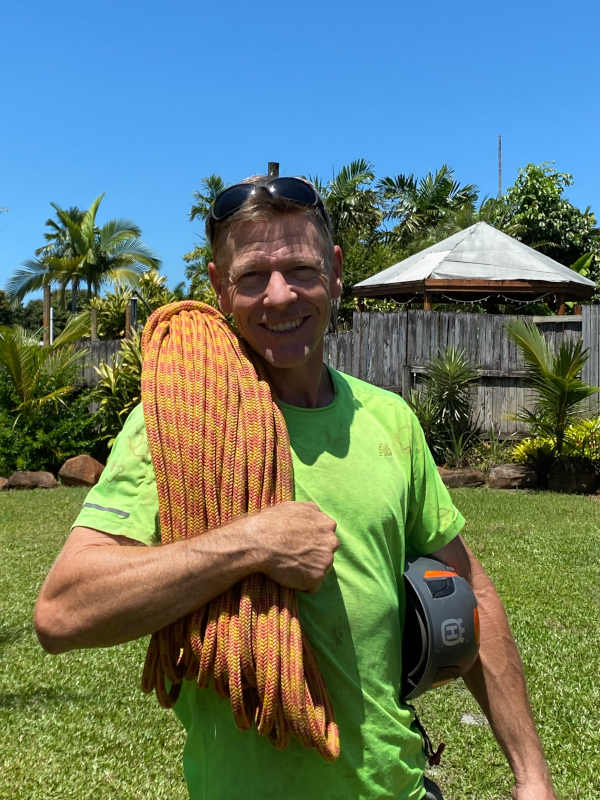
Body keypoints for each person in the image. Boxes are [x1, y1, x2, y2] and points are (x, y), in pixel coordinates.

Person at [34, 175, 556, 800]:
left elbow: (472, 589)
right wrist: (249, 544)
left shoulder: (388, 418)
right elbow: (61, 613)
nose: (279, 296)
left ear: (334, 271)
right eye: (252, 276)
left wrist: (531, 775)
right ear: (219, 287)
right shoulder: (177, 425)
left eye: (301, 269)